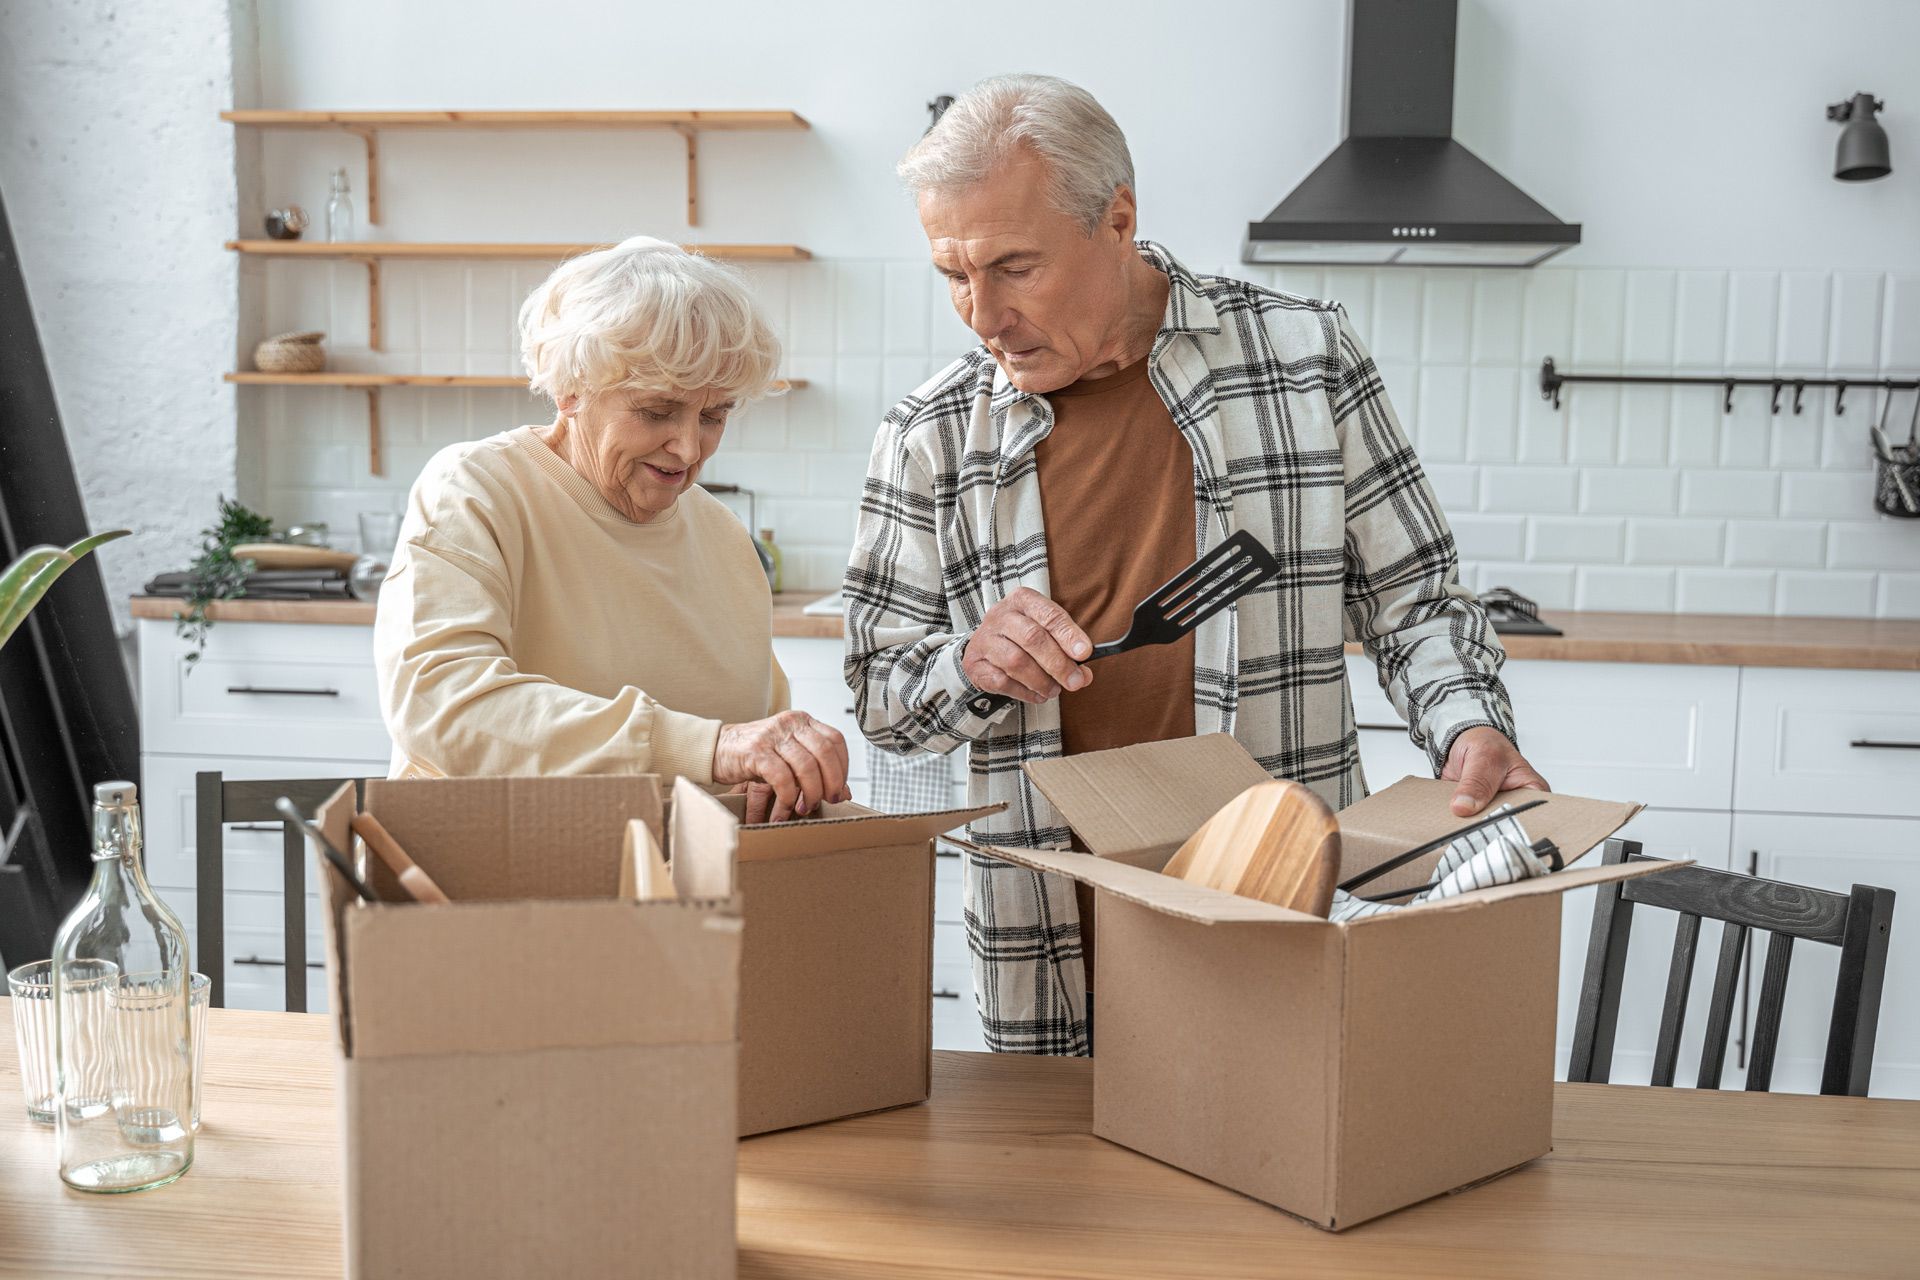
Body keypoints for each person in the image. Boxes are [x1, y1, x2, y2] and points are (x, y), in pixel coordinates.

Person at [844, 75, 1548, 1055]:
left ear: (1118, 219)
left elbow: (1415, 600)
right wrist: (969, 663)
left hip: (1280, 899)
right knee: (1062, 1207)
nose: (982, 314)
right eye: (952, 274)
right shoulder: (927, 433)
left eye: (1013, 266)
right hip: (1048, 936)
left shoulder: (1304, 357)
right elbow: (881, 690)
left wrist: (1469, 723)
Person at [375, 236, 848, 820]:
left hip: (672, 892)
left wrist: (780, 775)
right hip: (487, 881)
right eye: (656, 412)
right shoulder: (477, 489)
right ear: (571, 389)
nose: (688, 446)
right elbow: (442, 706)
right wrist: (710, 748)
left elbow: (746, 734)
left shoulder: (723, 536)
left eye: (714, 415)